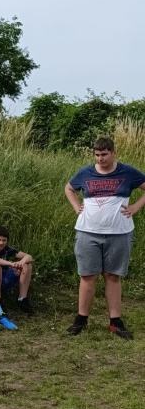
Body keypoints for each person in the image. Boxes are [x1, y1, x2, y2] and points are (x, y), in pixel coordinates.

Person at [64, 136, 145, 339]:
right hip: (87, 232)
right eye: (97, 155)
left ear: (113, 153)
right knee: (87, 276)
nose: (100, 158)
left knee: (113, 276)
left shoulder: (128, 172)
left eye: (104, 154)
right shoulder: (85, 173)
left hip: (119, 233)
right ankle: (81, 319)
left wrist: (136, 207)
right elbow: (69, 188)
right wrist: (76, 206)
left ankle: (115, 322)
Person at [0, 226, 35, 314]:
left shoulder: (7, 248)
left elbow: (29, 256)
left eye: (4, 240)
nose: (1, 243)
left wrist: (21, 262)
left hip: (4, 277)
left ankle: (22, 299)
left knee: (27, 265)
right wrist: (11, 264)